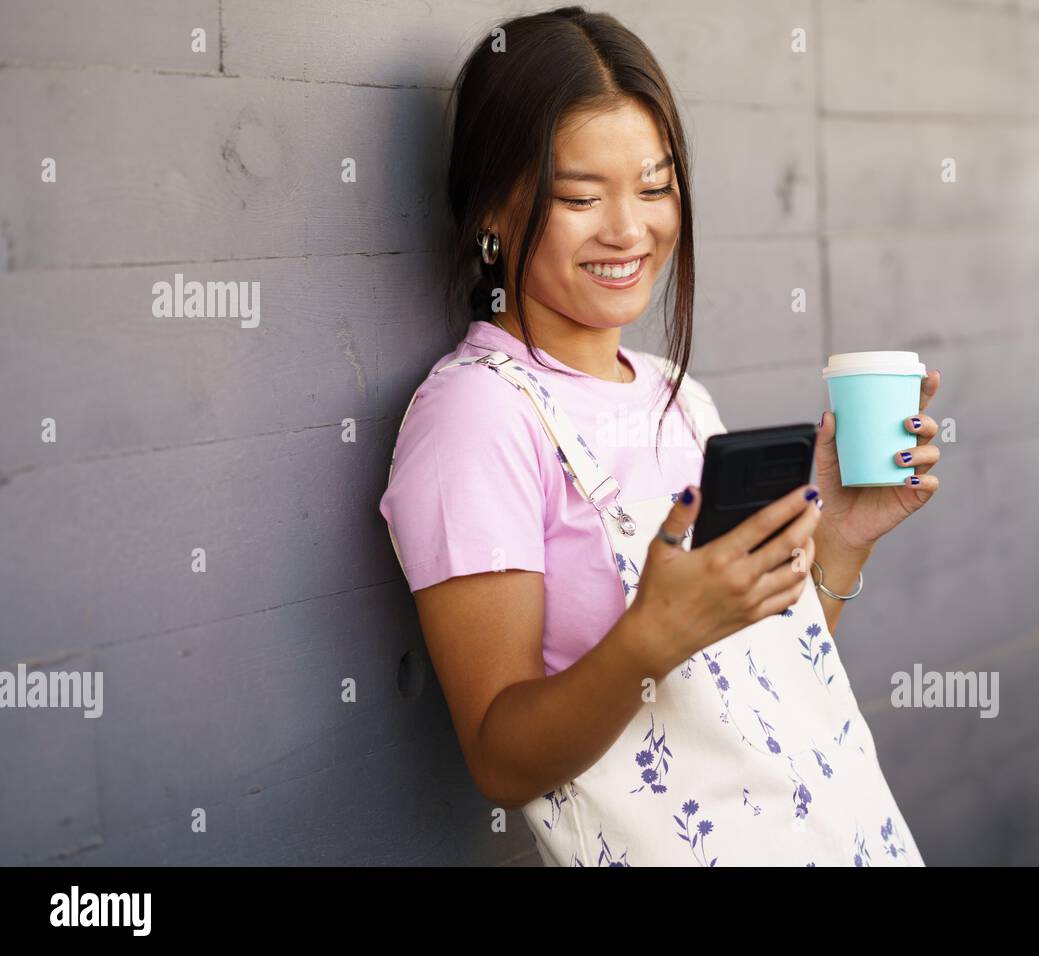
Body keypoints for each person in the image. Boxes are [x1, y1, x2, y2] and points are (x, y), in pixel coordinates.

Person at [380, 5, 942, 866]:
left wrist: (843, 539)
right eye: (580, 196)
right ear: (493, 208)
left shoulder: (681, 401)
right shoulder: (478, 417)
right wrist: (648, 637)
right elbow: (499, 756)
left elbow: (762, 674)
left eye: (654, 186)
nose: (629, 229)